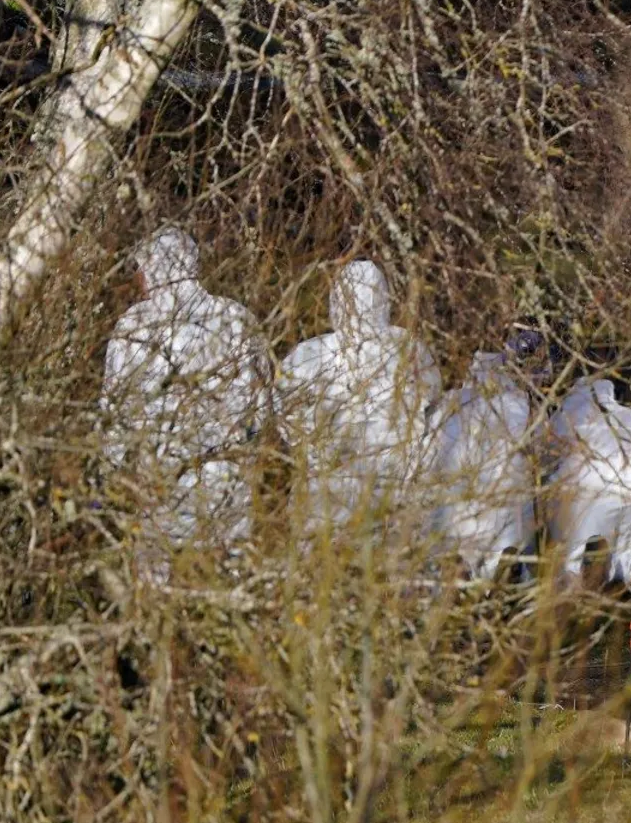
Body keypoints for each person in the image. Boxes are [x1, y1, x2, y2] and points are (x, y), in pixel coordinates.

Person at [99, 227, 273, 582]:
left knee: (154, 589)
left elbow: (114, 415)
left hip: (157, 484)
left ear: (149, 269)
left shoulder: (132, 326)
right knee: (230, 582)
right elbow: (264, 405)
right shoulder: (236, 320)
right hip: (226, 481)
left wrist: (114, 472)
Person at [276, 259, 441, 530]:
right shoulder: (407, 348)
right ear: (384, 299)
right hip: (391, 484)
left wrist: (310, 450)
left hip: (325, 490)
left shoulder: (309, 354)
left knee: (323, 561)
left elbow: (285, 416)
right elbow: (433, 393)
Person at [546, 377, 631, 591]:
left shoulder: (565, 417)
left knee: (573, 529)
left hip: (591, 482)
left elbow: (543, 457)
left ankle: (585, 567)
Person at [428, 351, 536, 581]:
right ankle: (512, 571)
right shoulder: (520, 403)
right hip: (506, 508)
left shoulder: (450, 403)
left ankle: (459, 573)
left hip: (459, 508)